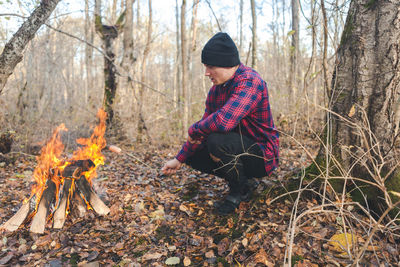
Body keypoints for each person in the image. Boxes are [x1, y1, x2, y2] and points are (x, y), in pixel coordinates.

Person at [161, 32, 279, 215]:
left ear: (226, 64)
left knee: (217, 140)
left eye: (210, 67)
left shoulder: (250, 81)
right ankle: (244, 182)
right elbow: (203, 130)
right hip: (237, 149)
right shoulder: (216, 91)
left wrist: (193, 129)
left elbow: (224, 121)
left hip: (262, 155)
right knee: (194, 153)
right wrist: (179, 159)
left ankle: (237, 192)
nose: (206, 73)